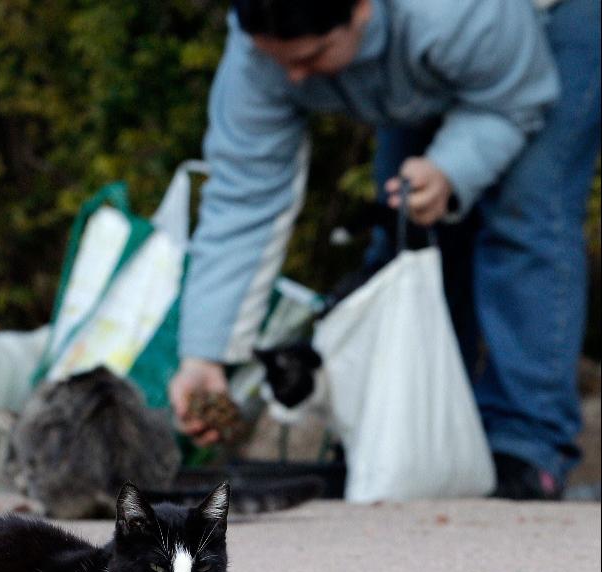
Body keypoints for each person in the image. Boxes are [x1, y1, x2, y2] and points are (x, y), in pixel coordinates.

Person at [168, 0, 600, 500]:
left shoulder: (447, 15)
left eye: (311, 58)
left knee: (526, 213)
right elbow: (243, 195)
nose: (294, 77)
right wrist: (205, 354)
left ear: (362, 10)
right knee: (405, 226)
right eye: (278, 60)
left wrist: (451, 168)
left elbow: (515, 98)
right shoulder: (260, 53)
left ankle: (527, 448)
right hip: (422, 60)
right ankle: (415, 433)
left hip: (544, 32)